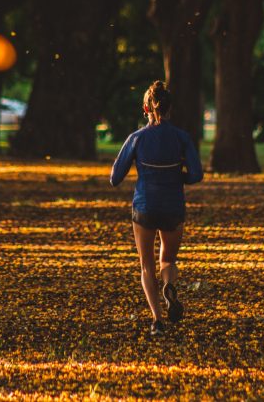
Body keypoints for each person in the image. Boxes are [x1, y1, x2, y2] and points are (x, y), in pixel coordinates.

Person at [110, 81, 203, 336]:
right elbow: (196, 174)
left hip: (144, 206)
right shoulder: (182, 138)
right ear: (170, 108)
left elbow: (115, 177)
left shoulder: (136, 138)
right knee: (169, 260)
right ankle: (169, 287)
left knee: (146, 265)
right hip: (173, 205)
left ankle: (157, 321)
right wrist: (176, 177)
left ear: (145, 108)